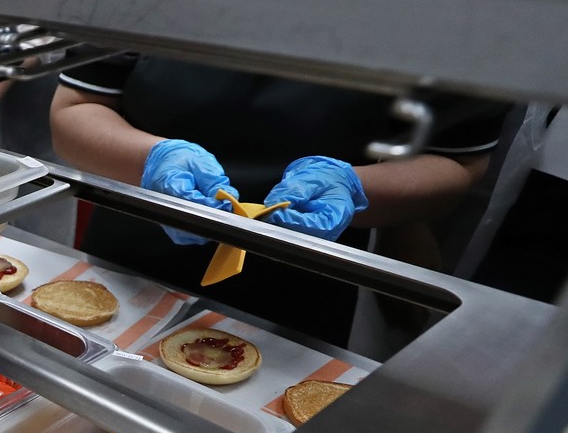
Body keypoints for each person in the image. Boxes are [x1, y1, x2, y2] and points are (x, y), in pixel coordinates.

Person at [49, 55, 506, 346]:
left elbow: (457, 162)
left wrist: (350, 186)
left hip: (315, 274)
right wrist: (154, 161)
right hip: (132, 249)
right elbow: (75, 108)